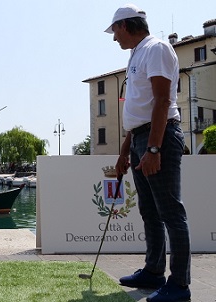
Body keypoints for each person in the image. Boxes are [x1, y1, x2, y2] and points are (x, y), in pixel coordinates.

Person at [107, 4, 191, 302]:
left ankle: (179, 285)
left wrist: (154, 148)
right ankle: (153, 271)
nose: (114, 37)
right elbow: (139, 110)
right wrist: (125, 151)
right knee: (149, 211)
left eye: (114, 31)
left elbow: (162, 99)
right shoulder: (137, 53)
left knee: (170, 212)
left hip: (161, 136)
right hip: (142, 136)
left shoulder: (156, 48)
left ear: (126, 26)